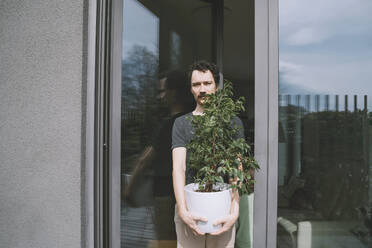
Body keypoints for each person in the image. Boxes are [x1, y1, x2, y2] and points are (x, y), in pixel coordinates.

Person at [172, 61, 244, 248]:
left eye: (207, 83)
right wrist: (182, 210)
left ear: (216, 86)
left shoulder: (231, 122)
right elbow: (179, 168)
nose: (202, 89)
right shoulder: (182, 123)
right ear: (191, 89)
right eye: (196, 84)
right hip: (189, 208)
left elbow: (237, 167)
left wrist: (234, 210)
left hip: (222, 209)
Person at [124, 70, 194, 242]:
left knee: (166, 240)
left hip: (166, 194)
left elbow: (144, 160)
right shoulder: (192, 121)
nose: (160, 96)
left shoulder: (169, 124)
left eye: (163, 91)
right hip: (189, 193)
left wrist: (128, 190)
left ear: (175, 93)